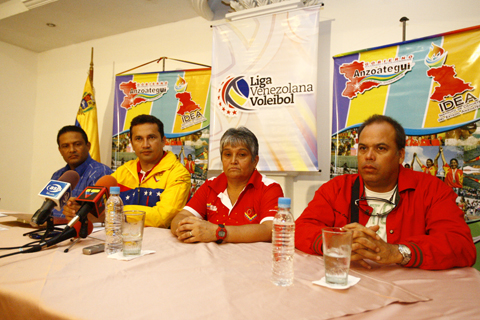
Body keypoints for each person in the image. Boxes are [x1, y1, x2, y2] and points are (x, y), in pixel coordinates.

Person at [295, 114, 476, 270]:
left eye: (380, 148)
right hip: (349, 280)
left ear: (400, 155)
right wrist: (337, 242)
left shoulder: (432, 189)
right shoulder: (336, 188)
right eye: (363, 148)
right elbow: (300, 229)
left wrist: (398, 252)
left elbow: (461, 246)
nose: (369, 156)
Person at [64, 114, 191, 228]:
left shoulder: (178, 173)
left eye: (151, 137)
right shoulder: (123, 170)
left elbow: (163, 217)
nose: (145, 145)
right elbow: (100, 204)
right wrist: (79, 208)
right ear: (131, 143)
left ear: (163, 141)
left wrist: (111, 214)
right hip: (123, 241)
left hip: (161, 245)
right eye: (139, 139)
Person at [171, 127, 284, 244]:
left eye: (241, 154)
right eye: (228, 154)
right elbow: (180, 217)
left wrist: (218, 232)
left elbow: (271, 230)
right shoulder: (210, 185)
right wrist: (185, 229)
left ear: (255, 161)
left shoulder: (270, 188)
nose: (233, 161)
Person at [51, 125, 112, 218]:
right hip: (55, 230)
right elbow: (49, 211)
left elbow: (105, 217)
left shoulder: (101, 173)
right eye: (65, 146)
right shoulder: (57, 175)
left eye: (77, 144)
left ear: (88, 146)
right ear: (60, 150)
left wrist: (80, 213)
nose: (72, 150)